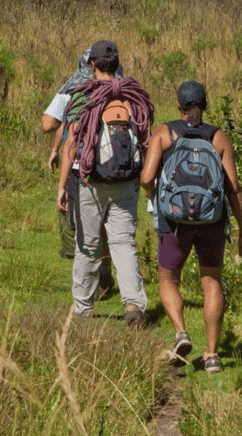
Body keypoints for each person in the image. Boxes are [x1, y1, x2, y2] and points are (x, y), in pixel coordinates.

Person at [140, 81, 242, 373]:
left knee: (168, 279)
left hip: (173, 221)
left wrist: (154, 196)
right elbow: (233, 188)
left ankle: (181, 332)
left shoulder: (164, 133)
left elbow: (146, 178)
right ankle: (212, 355)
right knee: (212, 283)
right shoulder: (218, 137)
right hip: (212, 221)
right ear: (205, 106)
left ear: (178, 105)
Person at [56, 41, 153, 328]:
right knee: (124, 244)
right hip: (126, 181)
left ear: (92, 65)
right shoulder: (133, 96)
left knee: (88, 245)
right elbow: (145, 139)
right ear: (117, 64)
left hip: (92, 182)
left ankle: (83, 309)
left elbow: (71, 144)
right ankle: (133, 305)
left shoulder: (85, 96)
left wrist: (62, 185)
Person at [43, 48, 113, 291]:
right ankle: (105, 271)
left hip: (81, 166)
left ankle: (88, 285)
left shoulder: (74, 89)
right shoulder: (122, 89)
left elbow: (51, 125)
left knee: (85, 225)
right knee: (107, 224)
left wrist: (56, 152)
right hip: (115, 166)